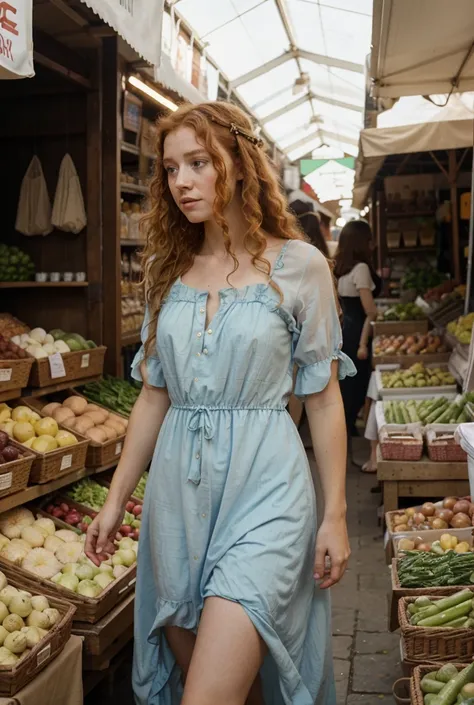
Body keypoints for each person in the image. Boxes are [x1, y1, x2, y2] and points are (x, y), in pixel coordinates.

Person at [85, 101, 355, 705]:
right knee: (233, 686)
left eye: (198, 162)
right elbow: (155, 395)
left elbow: (324, 399)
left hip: (268, 492)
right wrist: (115, 501)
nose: (181, 181)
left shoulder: (300, 266)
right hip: (178, 501)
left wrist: (334, 512)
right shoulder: (165, 269)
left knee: (205, 695)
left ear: (239, 162)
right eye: (171, 169)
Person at [334, 220, 381, 452]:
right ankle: (347, 435)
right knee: (357, 383)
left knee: (348, 386)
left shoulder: (341, 268)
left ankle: (346, 432)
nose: (374, 245)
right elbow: (369, 310)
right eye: (370, 240)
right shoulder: (361, 269)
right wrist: (364, 343)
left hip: (346, 331)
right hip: (359, 333)